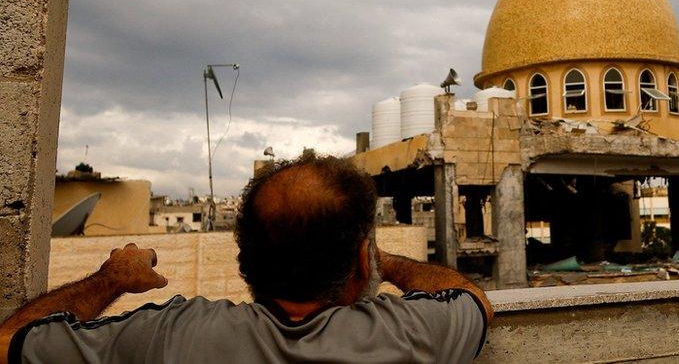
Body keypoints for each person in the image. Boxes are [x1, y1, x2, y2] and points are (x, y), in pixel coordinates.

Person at [0, 154, 492, 363]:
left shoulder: (170, 337)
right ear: (362, 263)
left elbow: (9, 343)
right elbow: (473, 299)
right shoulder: (409, 335)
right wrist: (384, 259)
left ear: (245, 262)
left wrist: (108, 280)